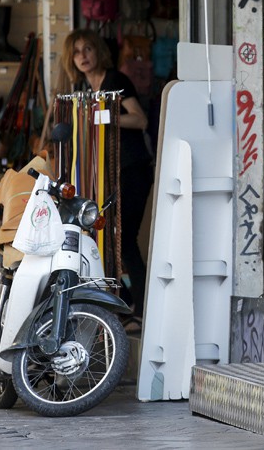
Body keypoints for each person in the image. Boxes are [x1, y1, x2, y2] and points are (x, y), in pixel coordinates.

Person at [62, 29, 153, 328]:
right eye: (77, 52)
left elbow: (139, 120)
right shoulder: (81, 87)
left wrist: (104, 116)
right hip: (106, 176)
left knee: (124, 241)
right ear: (71, 59)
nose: (83, 56)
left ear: (98, 51)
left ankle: (141, 311)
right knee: (101, 242)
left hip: (132, 170)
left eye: (88, 49)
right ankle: (126, 302)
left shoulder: (115, 81)